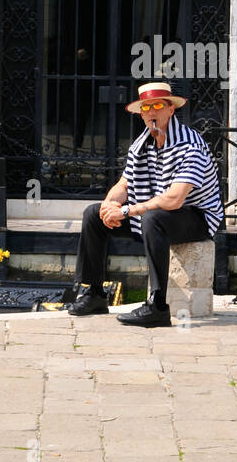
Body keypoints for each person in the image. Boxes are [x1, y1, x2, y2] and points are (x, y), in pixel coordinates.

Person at [67, 81, 223, 327]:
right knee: (93, 215)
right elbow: (124, 185)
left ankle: (157, 305)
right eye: (146, 107)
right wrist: (109, 207)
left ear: (171, 109)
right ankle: (94, 293)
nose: (152, 112)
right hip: (157, 214)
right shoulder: (141, 144)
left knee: (154, 218)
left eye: (158, 105)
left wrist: (128, 210)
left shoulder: (190, 146)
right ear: (141, 113)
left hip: (197, 217)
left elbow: (174, 199)